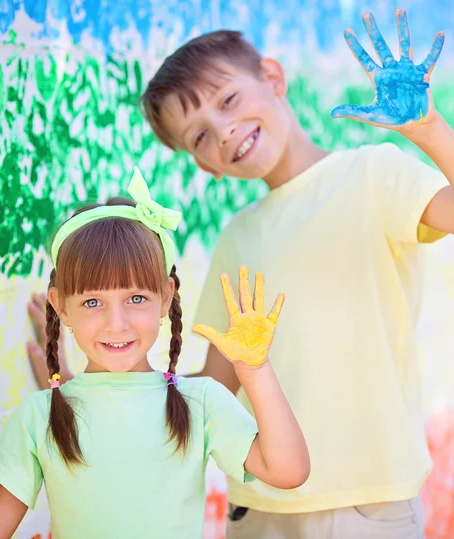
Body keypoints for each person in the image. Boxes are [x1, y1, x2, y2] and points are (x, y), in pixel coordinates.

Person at [136, 8, 454, 538]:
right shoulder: (237, 238)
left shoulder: (374, 173)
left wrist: (429, 128)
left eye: (229, 100)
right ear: (205, 165)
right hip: (258, 508)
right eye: (199, 137)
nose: (224, 130)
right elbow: (216, 384)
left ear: (274, 77)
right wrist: (103, 389)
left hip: (369, 504)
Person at [0, 168, 309, 539]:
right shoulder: (42, 414)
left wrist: (254, 368)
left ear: (165, 295)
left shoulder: (202, 402)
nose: (116, 323)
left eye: (136, 298)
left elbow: (288, 471)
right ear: (61, 306)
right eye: (93, 302)